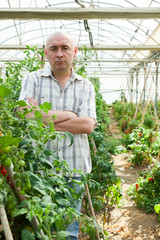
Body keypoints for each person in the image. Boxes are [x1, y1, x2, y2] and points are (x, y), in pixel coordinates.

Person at [18, 31, 97, 239]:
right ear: (46, 53)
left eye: (65, 48)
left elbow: (87, 124)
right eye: (53, 49)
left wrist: (42, 119)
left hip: (75, 169)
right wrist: (70, 116)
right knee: (41, 229)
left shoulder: (85, 86)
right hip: (39, 170)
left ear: (75, 52)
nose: (59, 53)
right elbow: (25, 113)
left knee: (69, 231)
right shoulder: (32, 79)